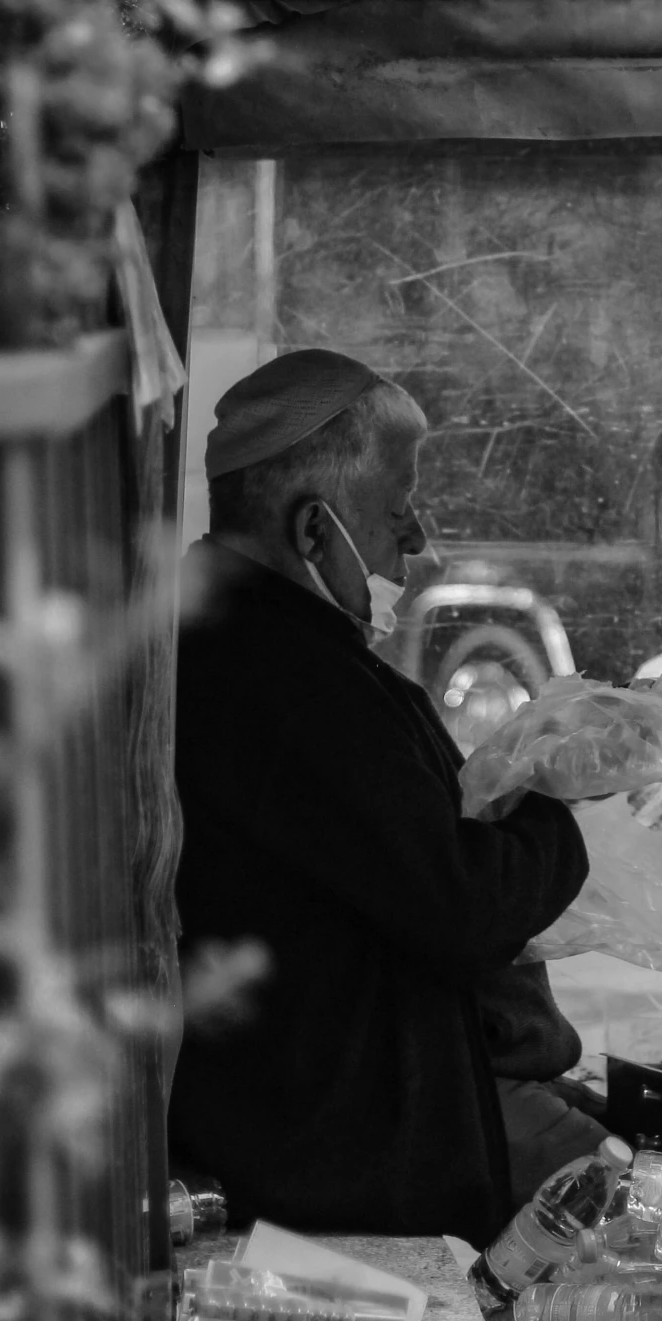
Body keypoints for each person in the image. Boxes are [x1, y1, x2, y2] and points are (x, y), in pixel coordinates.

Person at [169, 348, 588, 1241]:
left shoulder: (227, 641)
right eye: (397, 510)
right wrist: (556, 803)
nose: (415, 539)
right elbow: (460, 903)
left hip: (303, 1143)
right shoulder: (287, 679)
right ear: (314, 528)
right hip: (329, 1184)